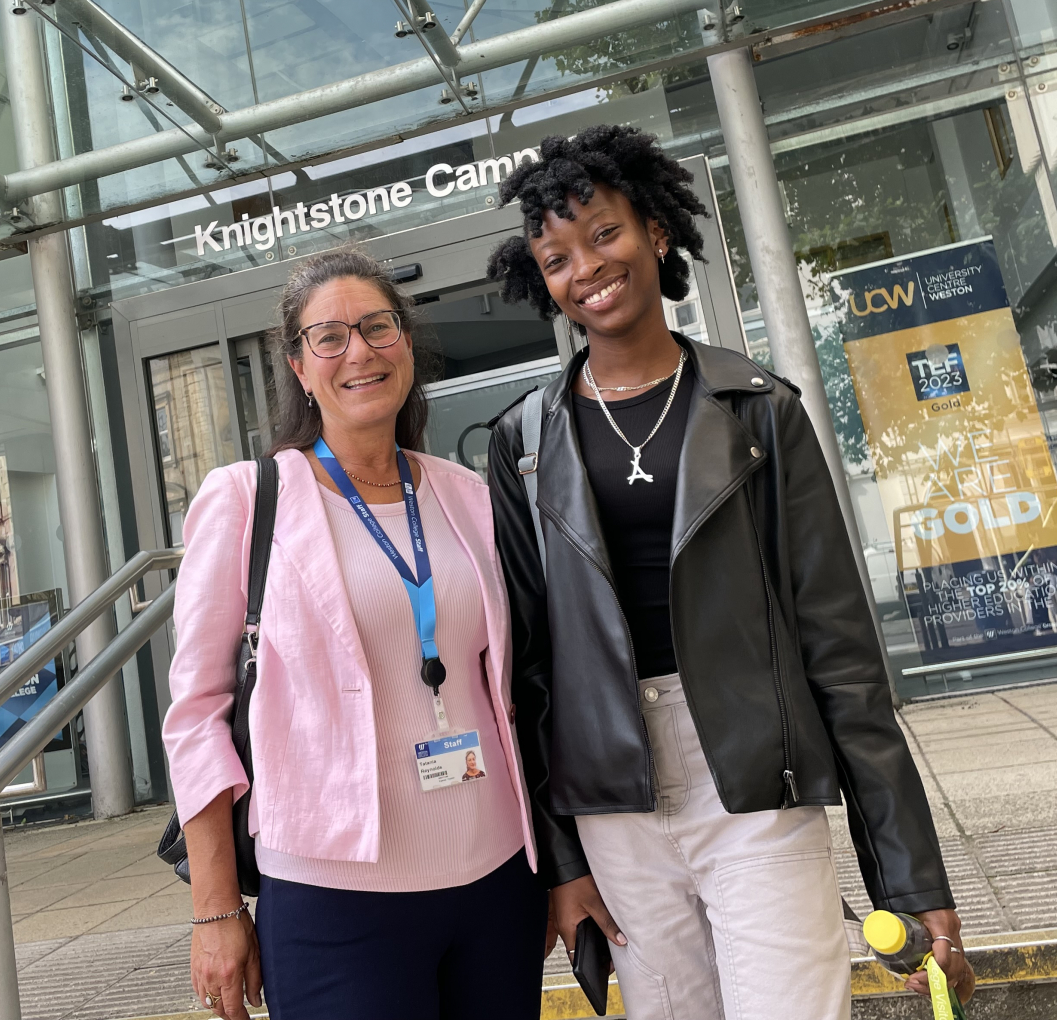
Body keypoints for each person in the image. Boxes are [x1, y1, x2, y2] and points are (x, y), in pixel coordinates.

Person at [484, 125, 975, 1020]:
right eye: (556, 257)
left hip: (753, 770)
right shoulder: (522, 441)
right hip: (610, 795)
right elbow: (525, 672)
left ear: (656, 234)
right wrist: (564, 861)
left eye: (604, 234)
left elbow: (841, 651)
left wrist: (910, 875)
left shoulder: (759, 409)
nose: (586, 267)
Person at [163, 245, 545, 1020]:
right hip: (334, 899)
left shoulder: (469, 496)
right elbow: (196, 713)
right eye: (328, 337)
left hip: (498, 882)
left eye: (377, 327)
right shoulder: (246, 499)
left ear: (405, 342)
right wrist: (215, 908)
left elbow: (519, 681)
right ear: (300, 368)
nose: (359, 352)